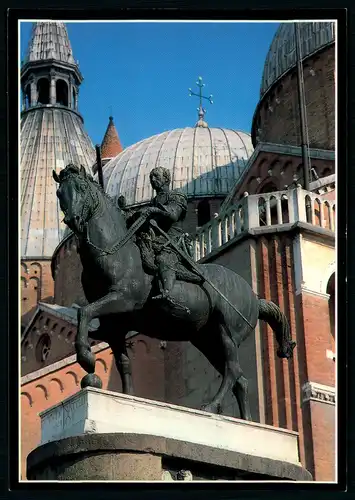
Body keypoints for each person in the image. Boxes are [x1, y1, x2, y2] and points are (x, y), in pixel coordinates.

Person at [130, 167, 200, 305]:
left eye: (156, 176)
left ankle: (167, 292)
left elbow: (173, 214)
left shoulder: (176, 195)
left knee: (163, 258)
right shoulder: (154, 200)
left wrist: (153, 210)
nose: (153, 180)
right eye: (151, 178)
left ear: (166, 179)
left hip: (172, 241)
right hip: (155, 240)